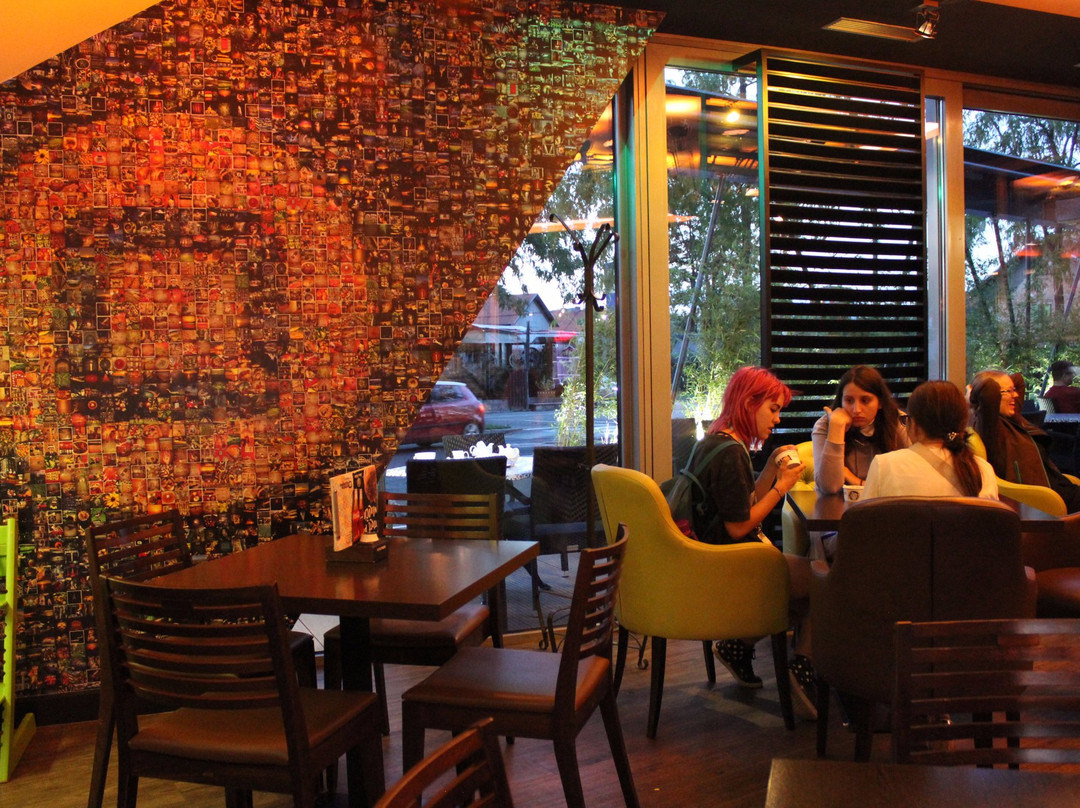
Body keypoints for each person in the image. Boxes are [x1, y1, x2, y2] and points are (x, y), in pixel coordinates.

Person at [694, 366, 817, 719]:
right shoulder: (731, 453)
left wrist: (770, 472)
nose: (777, 419)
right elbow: (738, 527)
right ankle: (803, 668)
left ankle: (738, 648)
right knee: (824, 580)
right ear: (750, 403)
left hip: (712, 559)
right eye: (773, 409)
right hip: (734, 563)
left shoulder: (716, 441)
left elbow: (742, 505)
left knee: (806, 596)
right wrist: (782, 488)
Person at [862, 380, 998, 500]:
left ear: (914, 425)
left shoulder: (884, 465)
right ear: (962, 424)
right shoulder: (983, 471)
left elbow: (865, 519)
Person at [969, 369, 1080, 512]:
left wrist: (1005, 386)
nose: (1015, 395)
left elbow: (1019, 379)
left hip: (1060, 487)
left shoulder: (1013, 418)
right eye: (1008, 391)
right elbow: (988, 389)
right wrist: (971, 393)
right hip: (1046, 496)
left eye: (1013, 390)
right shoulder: (990, 427)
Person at [812, 365, 910, 494]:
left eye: (865, 400)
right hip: (836, 503)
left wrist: (855, 480)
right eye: (849, 400)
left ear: (880, 402)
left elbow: (908, 482)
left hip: (885, 502)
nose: (856, 409)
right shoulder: (825, 425)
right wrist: (836, 429)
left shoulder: (897, 422)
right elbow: (829, 487)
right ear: (841, 401)